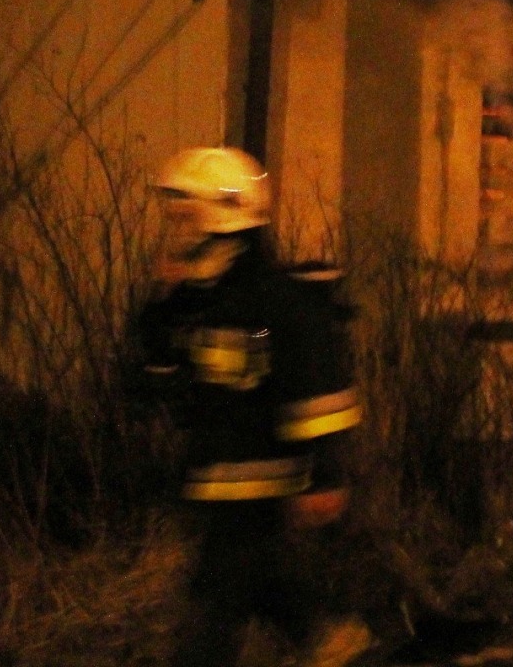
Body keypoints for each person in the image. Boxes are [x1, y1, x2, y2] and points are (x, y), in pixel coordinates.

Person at [137, 147, 373, 667]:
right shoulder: (200, 298)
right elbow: (159, 371)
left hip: (260, 474)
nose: (177, 227)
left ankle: (316, 635)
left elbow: (318, 391)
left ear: (226, 215)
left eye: (188, 213)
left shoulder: (273, 301)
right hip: (217, 473)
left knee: (218, 594)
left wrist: (326, 475)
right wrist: (162, 300)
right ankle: (324, 635)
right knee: (254, 577)